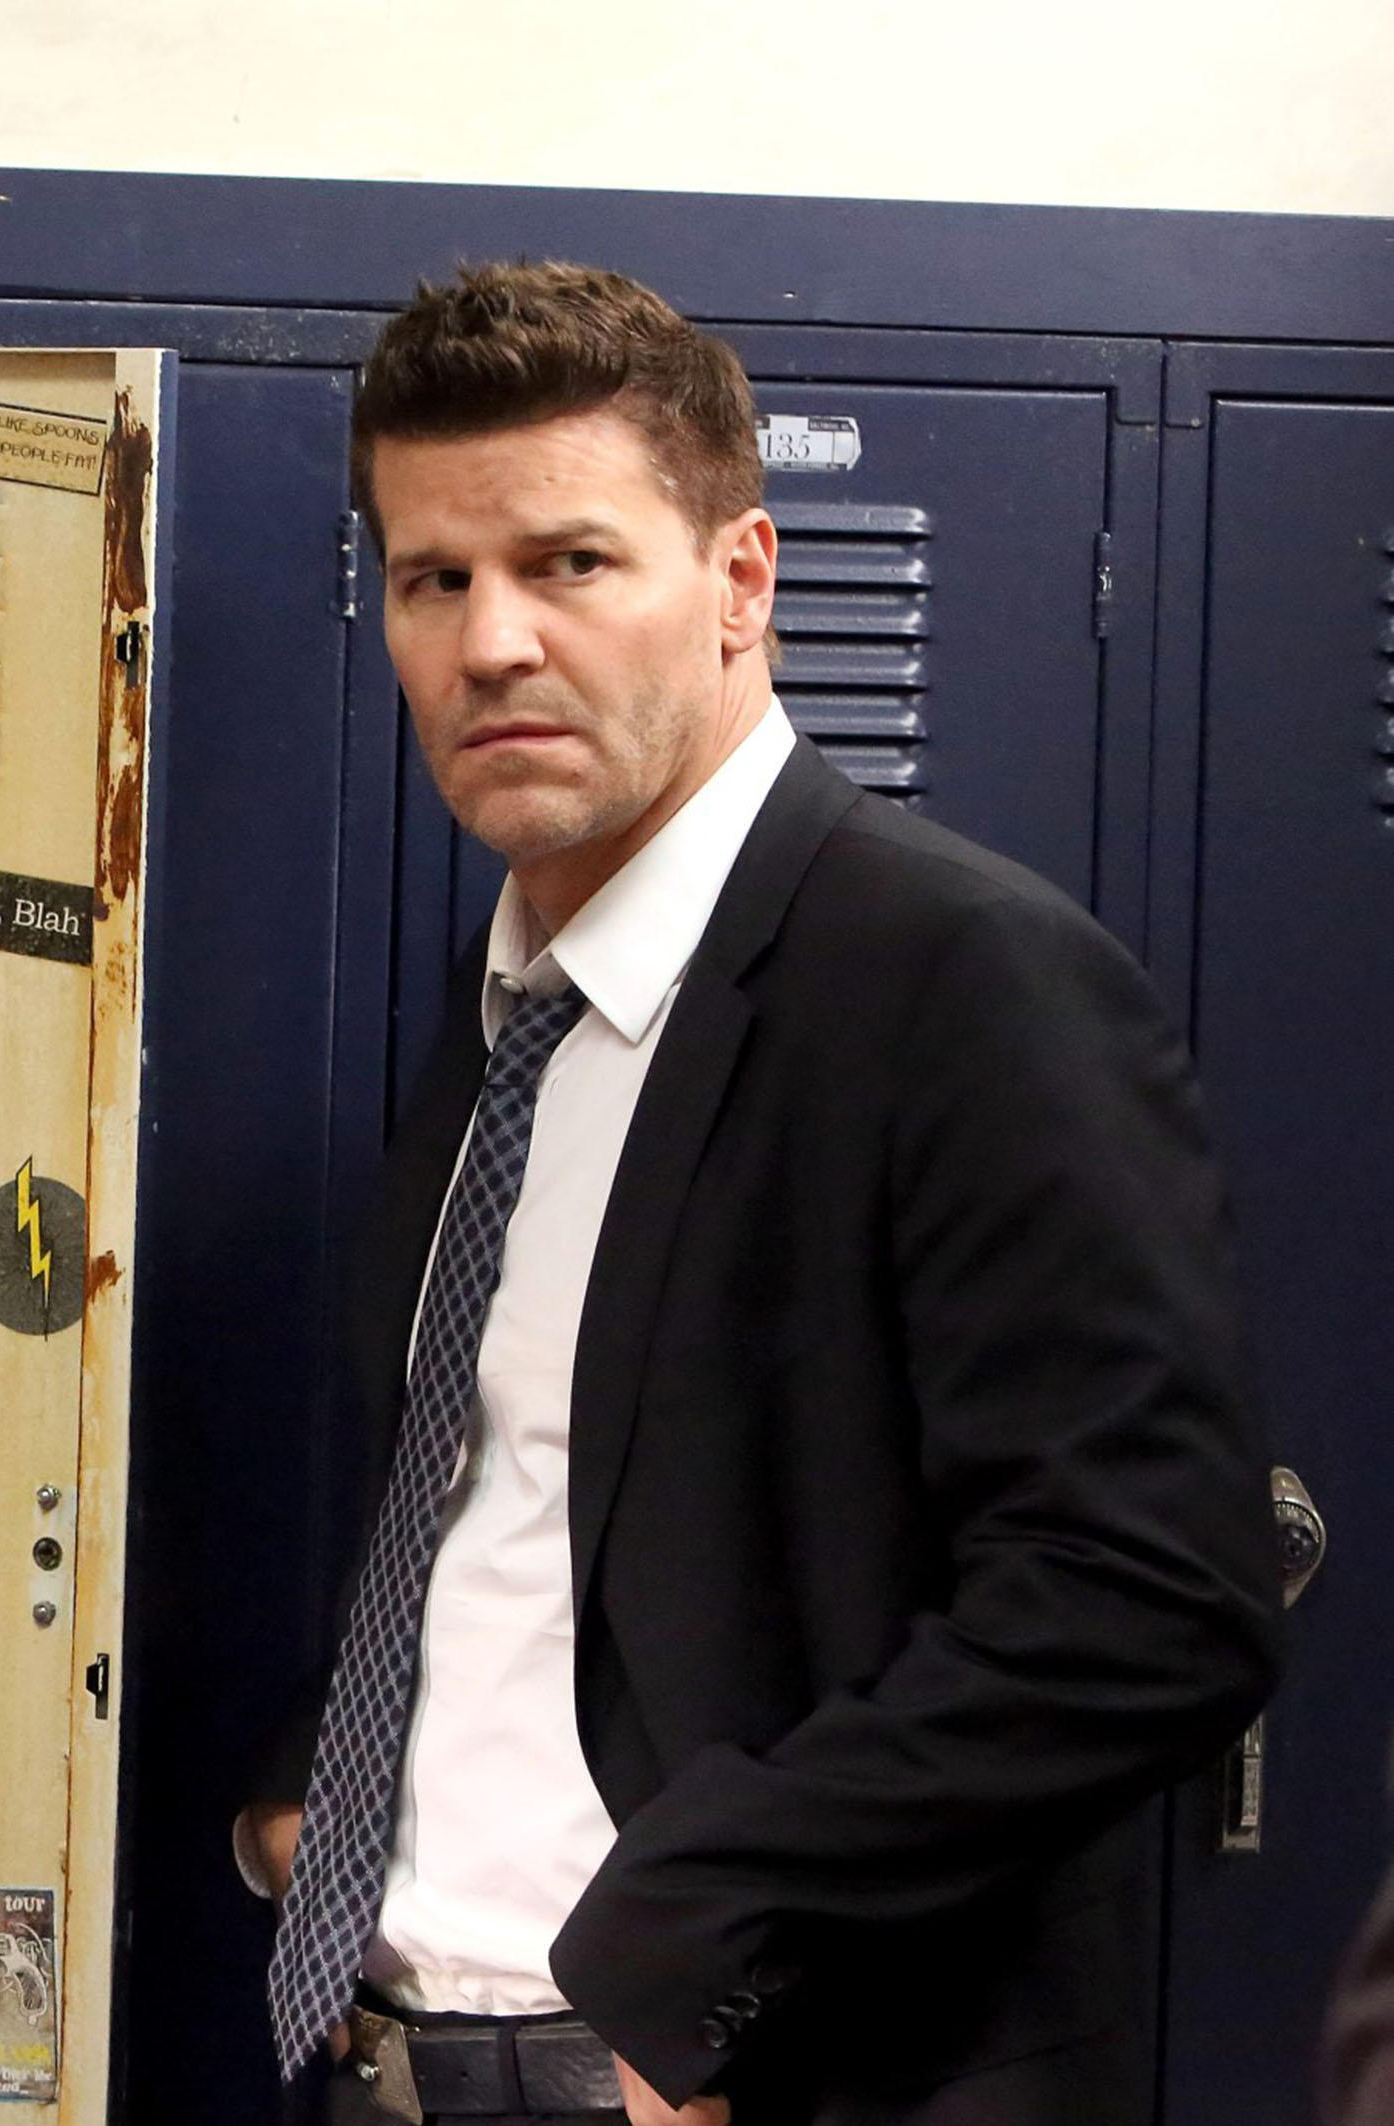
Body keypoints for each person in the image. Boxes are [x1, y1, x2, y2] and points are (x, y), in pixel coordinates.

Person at [235, 263, 1280, 2126]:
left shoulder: (956, 980)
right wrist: (325, 1801)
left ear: (741, 582)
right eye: (432, 578)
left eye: (569, 564)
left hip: (748, 2082)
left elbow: (1147, 1596)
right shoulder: (505, 1026)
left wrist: (702, 1941)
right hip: (397, 2068)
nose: (490, 645)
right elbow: (511, 1514)